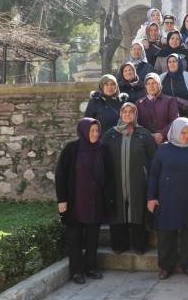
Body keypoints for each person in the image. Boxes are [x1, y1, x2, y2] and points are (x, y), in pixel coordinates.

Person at [147, 117, 188, 280]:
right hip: (167, 199)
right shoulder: (163, 150)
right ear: (174, 132)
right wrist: (151, 197)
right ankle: (166, 266)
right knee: (166, 234)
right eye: (182, 133)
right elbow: (153, 174)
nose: (186, 136)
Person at [56, 118, 110, 284]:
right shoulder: (72, 149)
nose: (94, 134)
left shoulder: (102, 149)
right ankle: (77, 271)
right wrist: (62, 199)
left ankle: (91, 268)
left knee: (93, 238)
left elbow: (108, 175)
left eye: (96, 131)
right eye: (91, 131)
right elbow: (61, 175)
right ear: (83, 131)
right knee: (75, 238)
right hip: (75, 201)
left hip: (95, 201)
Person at [102, 103, 156, 254]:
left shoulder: (144, 134)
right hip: (116, 182)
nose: (127, 114)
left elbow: (153, 160)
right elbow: (102, 159)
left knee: (137, 212)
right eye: (124, 112)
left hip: (138, 183)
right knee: (118, 212)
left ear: (135, 114)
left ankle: (140, 245)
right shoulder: (110, 135)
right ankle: (120, 245)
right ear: (120, 114)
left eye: (131, 112)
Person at [160, 54, 188, 133]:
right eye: (169, 62)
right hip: (166, 118)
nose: (172, 64)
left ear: (180, 62)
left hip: (186, 117)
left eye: (175, 61)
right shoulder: (161, 78)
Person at [135, 73, 179, 145]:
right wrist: (150, 136)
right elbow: (136, 124)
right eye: (148, 84)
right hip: (145, 141)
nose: (151, 86)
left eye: (154, 83)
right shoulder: (139, 103)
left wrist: (162, 134)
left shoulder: (170, 100)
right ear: (145, 86)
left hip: (166, 141)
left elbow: (175, 121)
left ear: (159, 85)